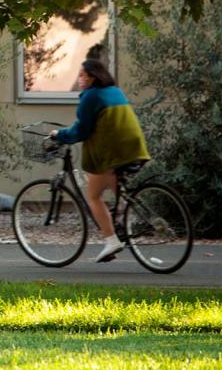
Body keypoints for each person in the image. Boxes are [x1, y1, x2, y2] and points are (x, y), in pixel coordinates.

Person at [51, 58, 151, 262]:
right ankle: (124, 222)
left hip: (113, 153)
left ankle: (112, 240)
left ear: (92, 77)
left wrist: (59, 135)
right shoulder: (115, 91)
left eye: (81, 75)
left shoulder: (91, 96)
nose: (78, 79)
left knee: (94, 196)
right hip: (134, 148)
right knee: (118, 190)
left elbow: (81, 130)